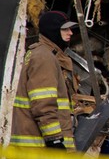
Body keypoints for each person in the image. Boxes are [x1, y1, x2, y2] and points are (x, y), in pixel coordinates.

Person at [11, 11, 79, 150]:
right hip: (40, 149)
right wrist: (54, 140)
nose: (70, 33)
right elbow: (43, 104)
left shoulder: (45, 54)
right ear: (52, 31)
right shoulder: (44, 58)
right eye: (65, 29)